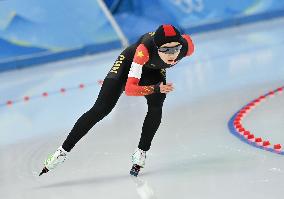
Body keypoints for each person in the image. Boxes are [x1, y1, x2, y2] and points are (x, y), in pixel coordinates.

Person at [39, 24, 194, 177]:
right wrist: (155, 88)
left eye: (176, 48)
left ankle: (141, 152)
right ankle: (61, 152)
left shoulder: (186, 47)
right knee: (101, 109)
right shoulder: (143, 50)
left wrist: (157, 89)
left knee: (156, 105)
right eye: (166, 49)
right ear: (157, 47)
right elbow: (130, 89)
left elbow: (184, 43)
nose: (172, 54)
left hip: (153, 71)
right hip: (128, 64)